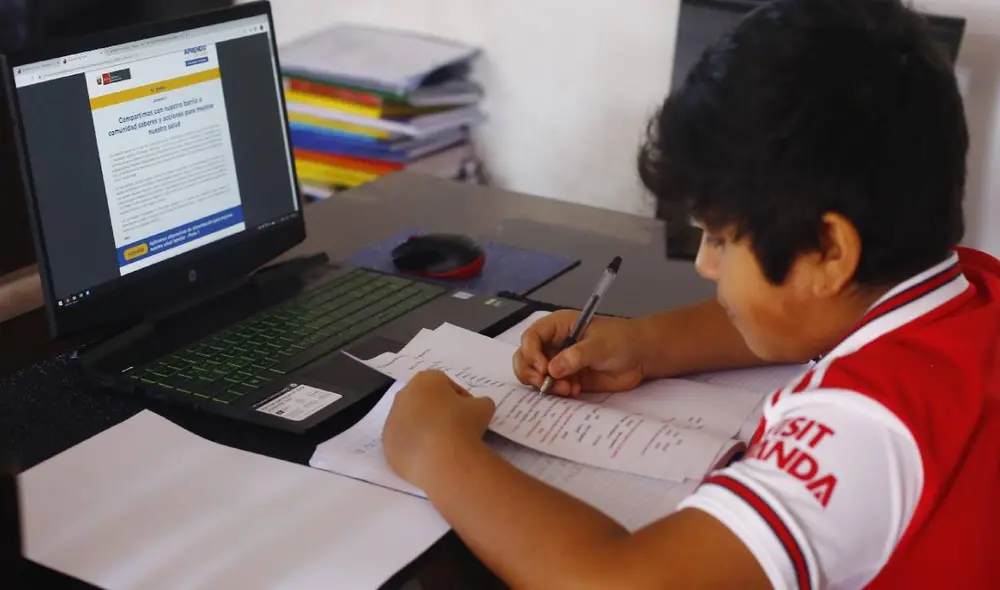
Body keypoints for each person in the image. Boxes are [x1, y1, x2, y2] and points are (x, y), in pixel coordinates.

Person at [380, 0, 1000, 587]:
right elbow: (807, 315)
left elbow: (620, 583)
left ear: (829, 251)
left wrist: (439, 452)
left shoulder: (863, 429)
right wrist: (645, 344)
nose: (705, 264)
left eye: (723, 239)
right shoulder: (969, 286)